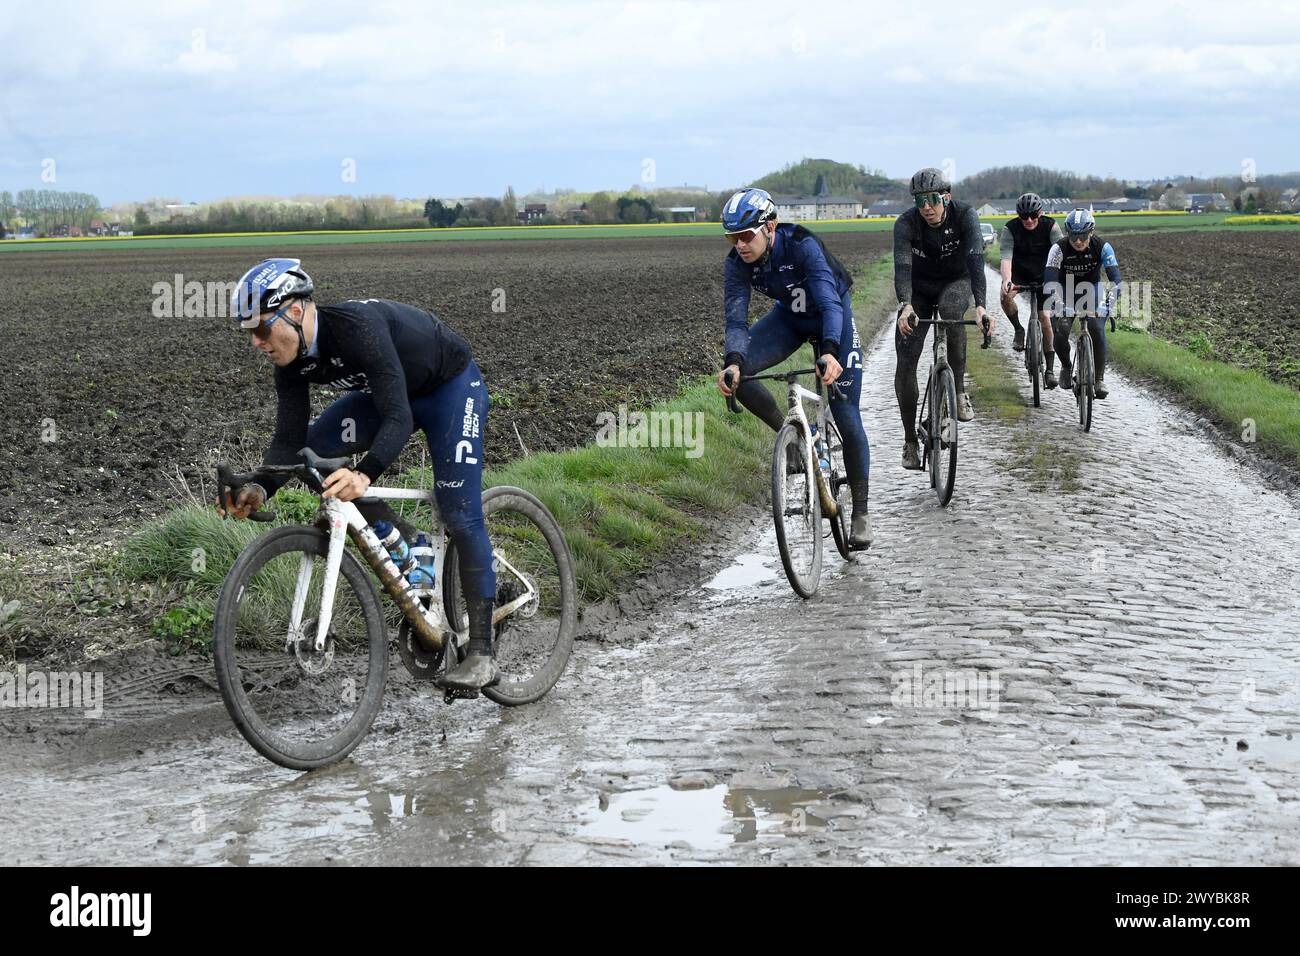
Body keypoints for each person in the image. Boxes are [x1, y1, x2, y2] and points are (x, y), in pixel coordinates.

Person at [217, 258, 500, 690]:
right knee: (313, 457)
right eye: (248, 333)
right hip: (388, 398)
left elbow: (398, 418)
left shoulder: (355, 326)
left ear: (294, 311)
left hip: (448, 390)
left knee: (459, 511)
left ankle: (481, 651)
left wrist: (364, 474)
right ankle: (409, 542)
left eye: (260, 329)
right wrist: (260, 487)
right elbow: (289, 441)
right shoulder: (290, 361)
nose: (256, 343)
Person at [716, 187, 873, 549]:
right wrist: (734, 362)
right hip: (789, 319)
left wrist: (831, 351)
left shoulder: (801, 244)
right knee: (741, 375)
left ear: (770, 227)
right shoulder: (736, 263)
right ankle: (794, 441)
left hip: (831, 316)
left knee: (847, 415)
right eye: (731, 237)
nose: (739, 244)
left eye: (745, 235)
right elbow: (736, 321)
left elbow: (830, 302)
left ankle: (861, 513)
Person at [893, 167, 989, 470]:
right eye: (920, 201)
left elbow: (976, 262)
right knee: (906, 358)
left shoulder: (965, 216)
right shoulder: (906, 223)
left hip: (955, 282)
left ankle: (958, 391)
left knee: (950, 313)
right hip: (919, 289)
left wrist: (982, 306)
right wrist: (905, 305)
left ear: (946, 196)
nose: (927, 207)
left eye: (933, 199)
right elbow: (903, 267)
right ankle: (910, 439)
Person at [1043, 209, 1123, 400]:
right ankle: (1066, 366)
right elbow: (1050, 283)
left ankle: (1099, 379)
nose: (1078, 241)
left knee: (1096, 327)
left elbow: (1117, 281)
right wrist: (1061, 305)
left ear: (1091, 233)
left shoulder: (1103, 247)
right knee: (1061, 329)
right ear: (1068, 233)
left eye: (1082, 236)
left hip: (1092, 289)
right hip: (1064, 288)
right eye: (1073, 236)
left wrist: (1107, 306)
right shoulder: (1058, 249)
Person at [998, 192, 1065, 388]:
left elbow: (1060, 253)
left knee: (1045, 318)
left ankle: (1050, 369)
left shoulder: (1050, 226)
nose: (1028, 220)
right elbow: (1006, 257)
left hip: (1045, 275)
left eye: (1033, 216)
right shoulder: (1010, 229)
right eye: (1024, 216)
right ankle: (1019, 329)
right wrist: (1007, 280)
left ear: (1040, 213)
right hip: (1019, 273)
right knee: (1005, 296)